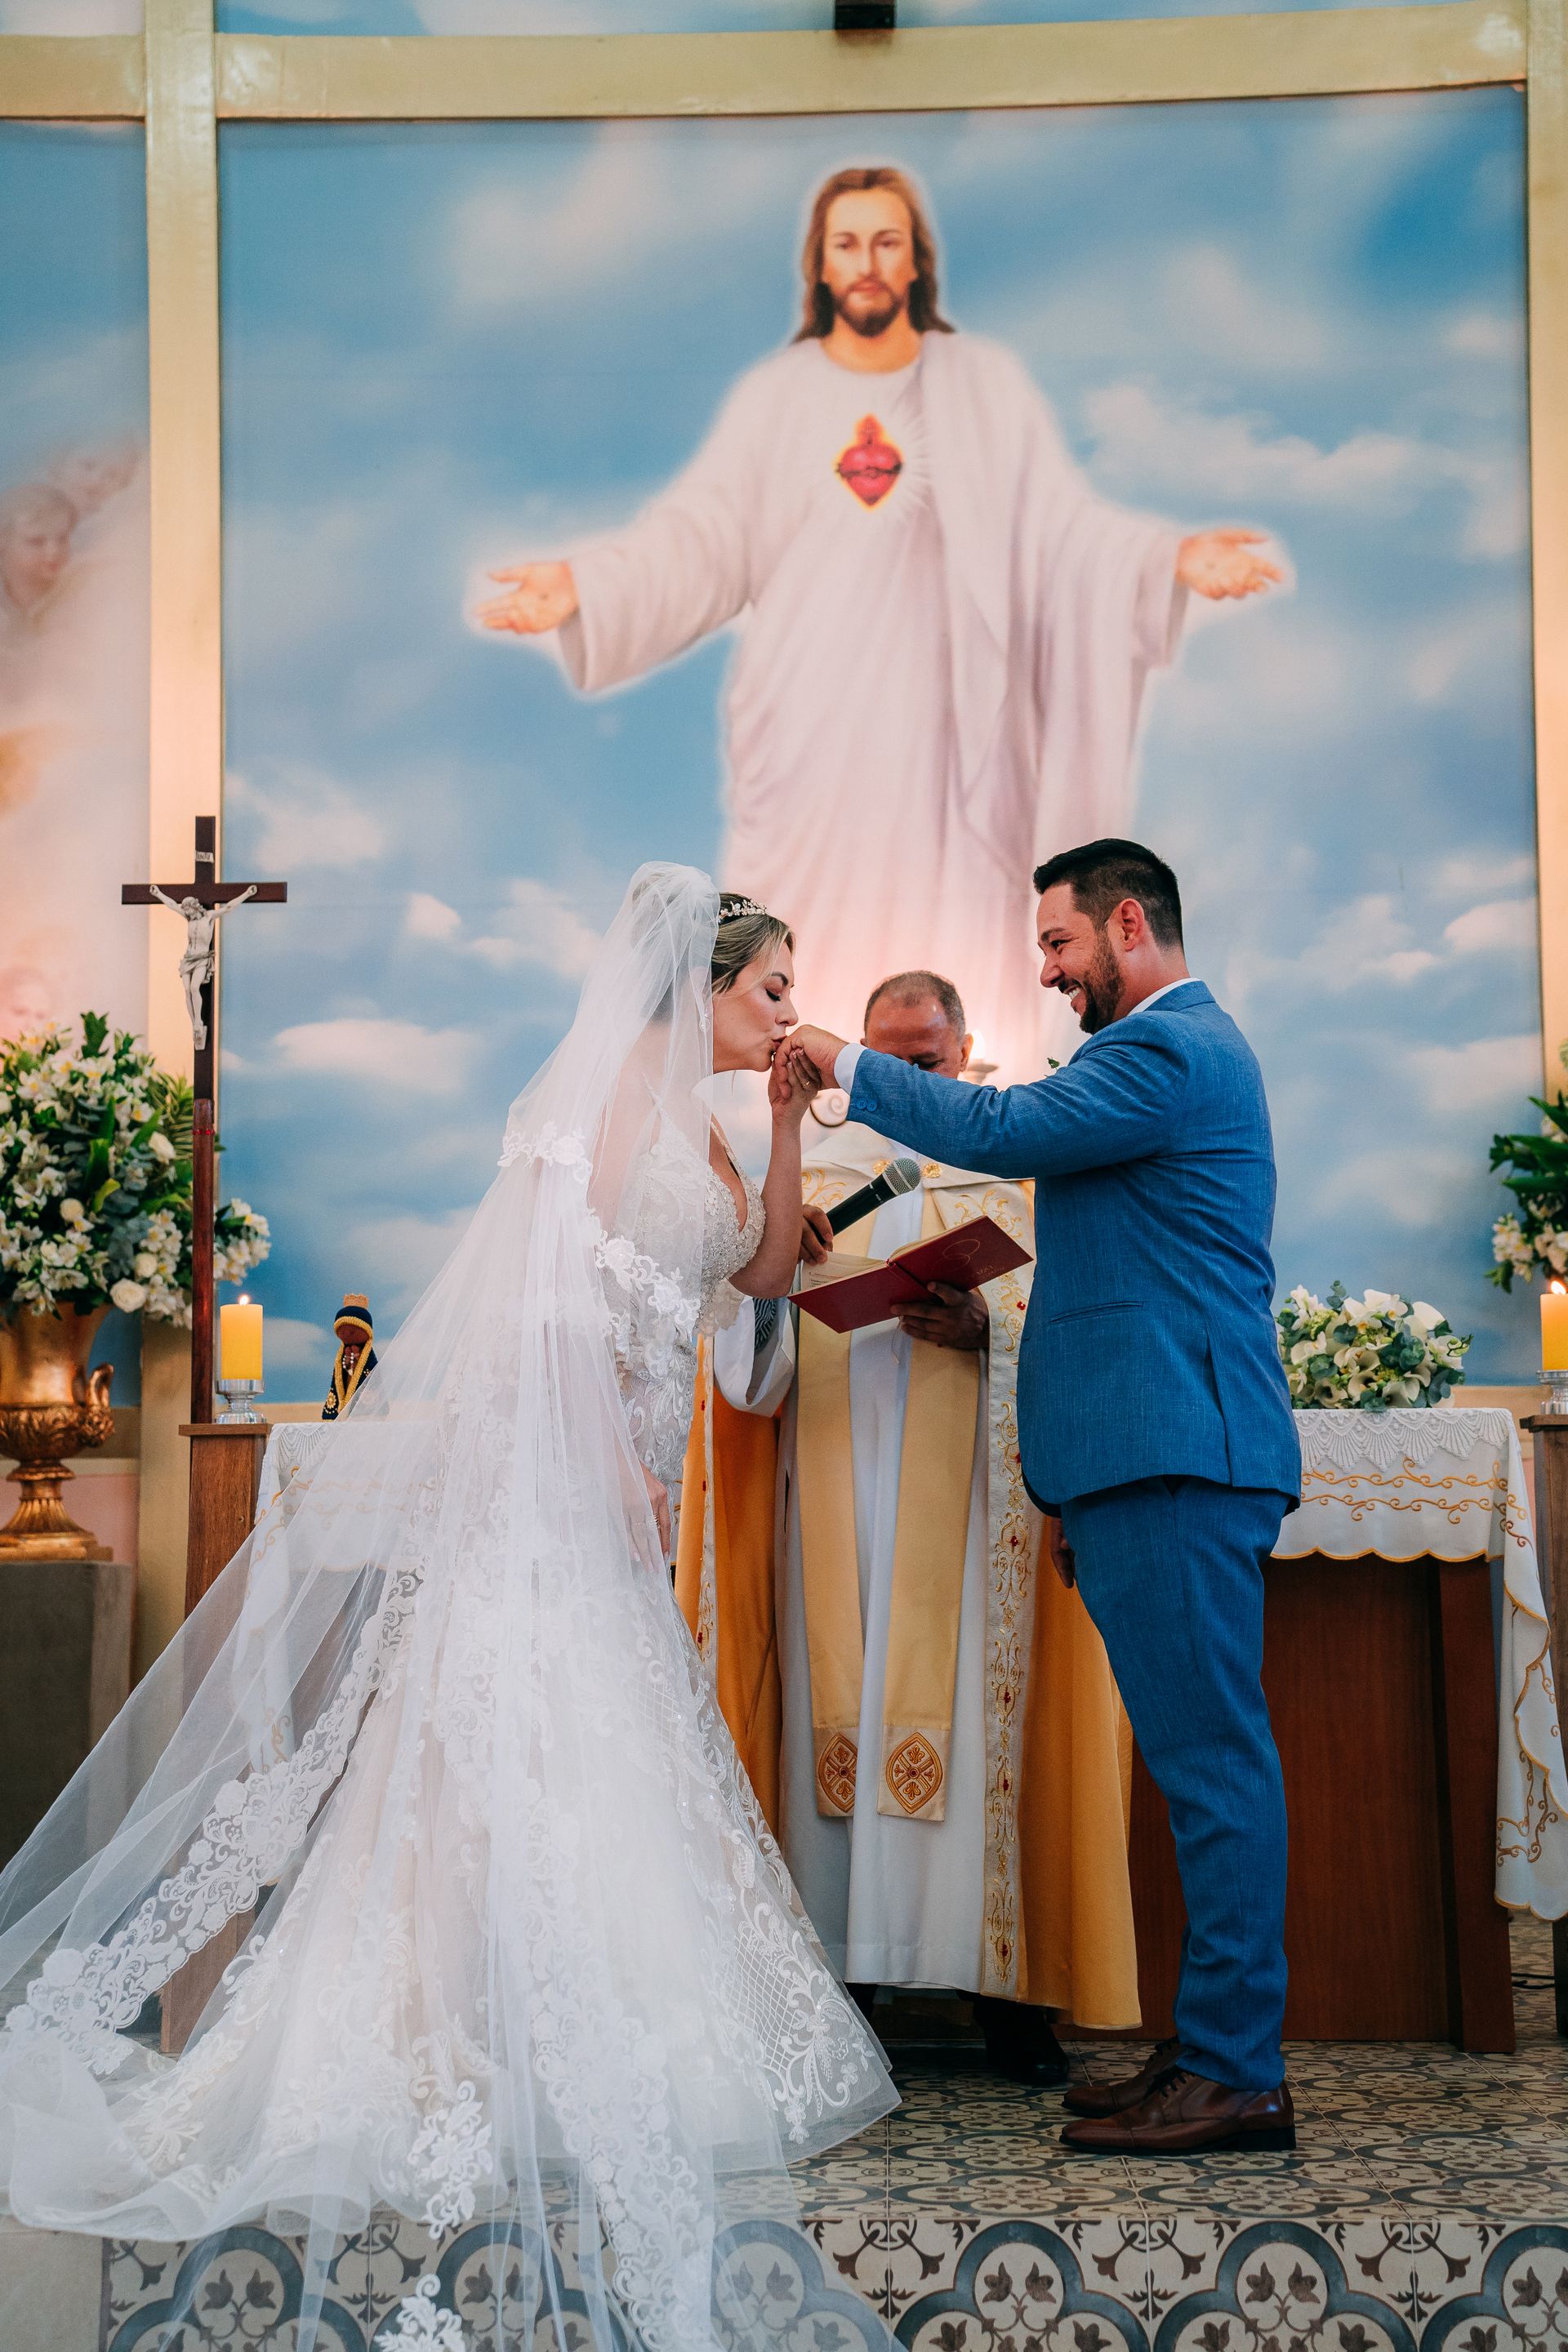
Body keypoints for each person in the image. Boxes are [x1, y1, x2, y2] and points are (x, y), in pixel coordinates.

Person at [0, 870, 898, 2352]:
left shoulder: (717, 1129)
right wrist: (610, 1471)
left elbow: (757, 1270)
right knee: (511, 1751)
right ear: (698, 987)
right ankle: (443, 2046)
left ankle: (559, 2034)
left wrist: (793, 1125)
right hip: (562, 1496)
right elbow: (549, 1315)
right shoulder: (598, 1110)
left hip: (624, 1498)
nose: (789, 1014)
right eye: (774, 990)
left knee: (597, 1760)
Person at [476, 165, 1281, 1082]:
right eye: (847, 244)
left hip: (953, 737)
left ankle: (952, 1099)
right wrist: (588, 585)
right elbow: (699, 539)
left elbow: (1058, 532)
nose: (867, 262)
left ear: (916, 261)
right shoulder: (778, 399)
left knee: (958, 914)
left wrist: (1163, 561)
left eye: (886, 241)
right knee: (803, 926)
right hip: (812, 730)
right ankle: (794, 1110)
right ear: (820, 265)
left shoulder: (982, 387)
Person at [786, 838, 1302, 2157]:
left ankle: (1238, 2072)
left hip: (1179, 1454)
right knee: (1201, 1767)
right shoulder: (1159, 1058)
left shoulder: (1170, 1051)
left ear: (1129, 924)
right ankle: (1208, 2049)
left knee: (1214, 1768)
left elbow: (998, 1129)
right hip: (1140, 1460)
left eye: (1060, 946)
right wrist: (1068, 1482)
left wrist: (843, 1061)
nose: (1051, 973)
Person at [689, 970, 1139, 2085]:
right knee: (833, 1716)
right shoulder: (821, 1175)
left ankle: (1001, 1990)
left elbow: (1076, 1314)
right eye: (880, 1058)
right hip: (833, 1498)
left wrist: (993, 1324)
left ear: (968, 1049)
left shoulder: (1022, 1167)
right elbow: (746, 1360)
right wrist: (769, 1293)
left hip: (978, 1510)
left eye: (926, 1063)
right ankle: (847, 1972)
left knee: (977, 1728)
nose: (898, 1080)